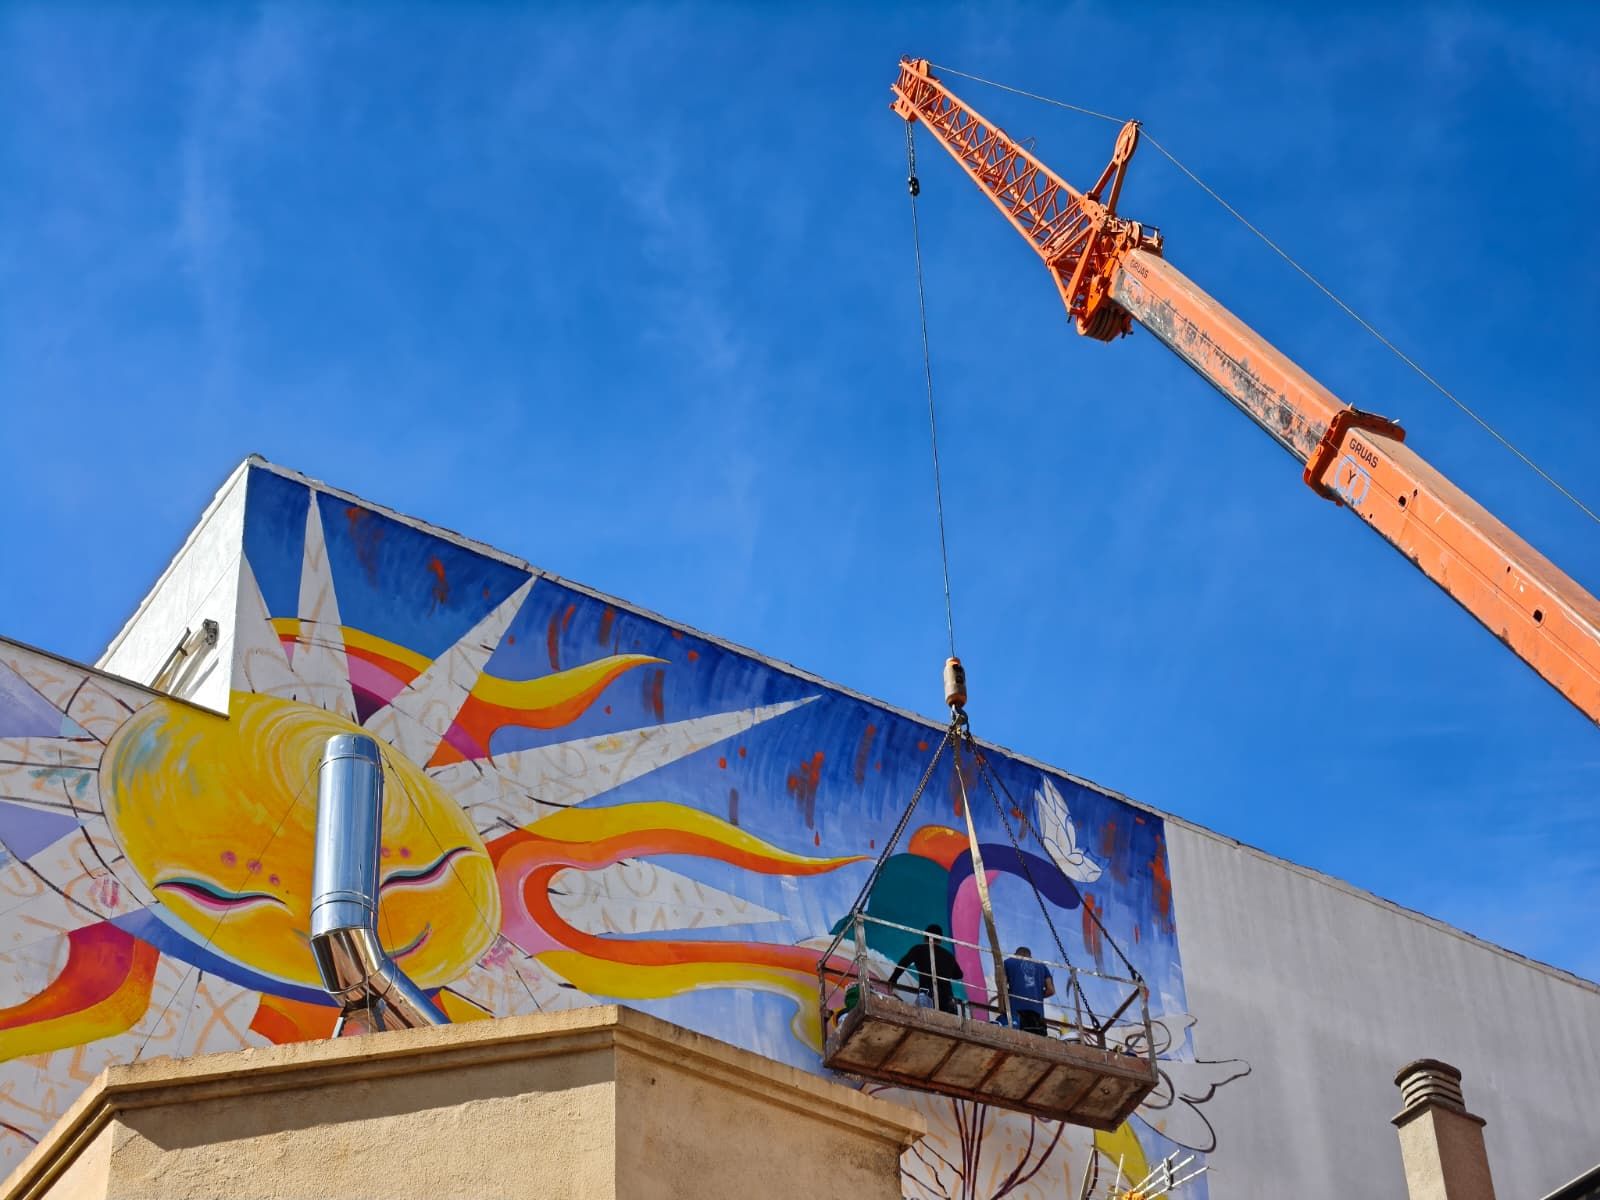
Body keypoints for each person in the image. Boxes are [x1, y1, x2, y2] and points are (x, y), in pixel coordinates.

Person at [886, 924, 964, 1014]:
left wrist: (893, 980)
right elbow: (959, 975)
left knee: (925, 1020)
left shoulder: (919, 949)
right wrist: (945, 972)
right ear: (940, 939)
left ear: (925, 937)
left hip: (927, 995)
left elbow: (903, 963)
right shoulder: (949, 956)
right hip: (948, 999)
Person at [1003, 946, 1055, 1035]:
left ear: (1015, 954)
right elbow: (1051, 990)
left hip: (1016, 1011)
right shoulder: (1042, 966)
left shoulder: (1008, 962)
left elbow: (1002, 984)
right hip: (1037, 1014)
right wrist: (1037, 995)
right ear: (1030, 956)